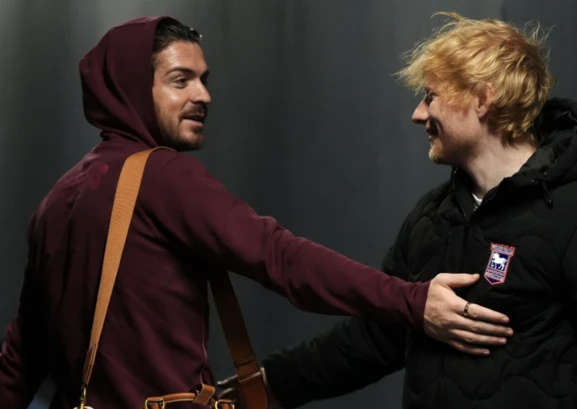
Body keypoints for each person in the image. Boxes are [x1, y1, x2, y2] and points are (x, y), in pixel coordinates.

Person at [0, 15, 514, 409]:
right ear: (132, 87)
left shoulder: (55, 203)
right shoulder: (161, 176)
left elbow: (20, 362)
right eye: (180, 80)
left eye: (204, 79)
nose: (203, 96)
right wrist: (413, 300)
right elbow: (280, 259)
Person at [218, 12, 577, 409]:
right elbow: (377, 336)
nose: (418, 114)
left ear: (483, 96)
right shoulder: (433, 217)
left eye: (430, 96)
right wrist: (268, 384)